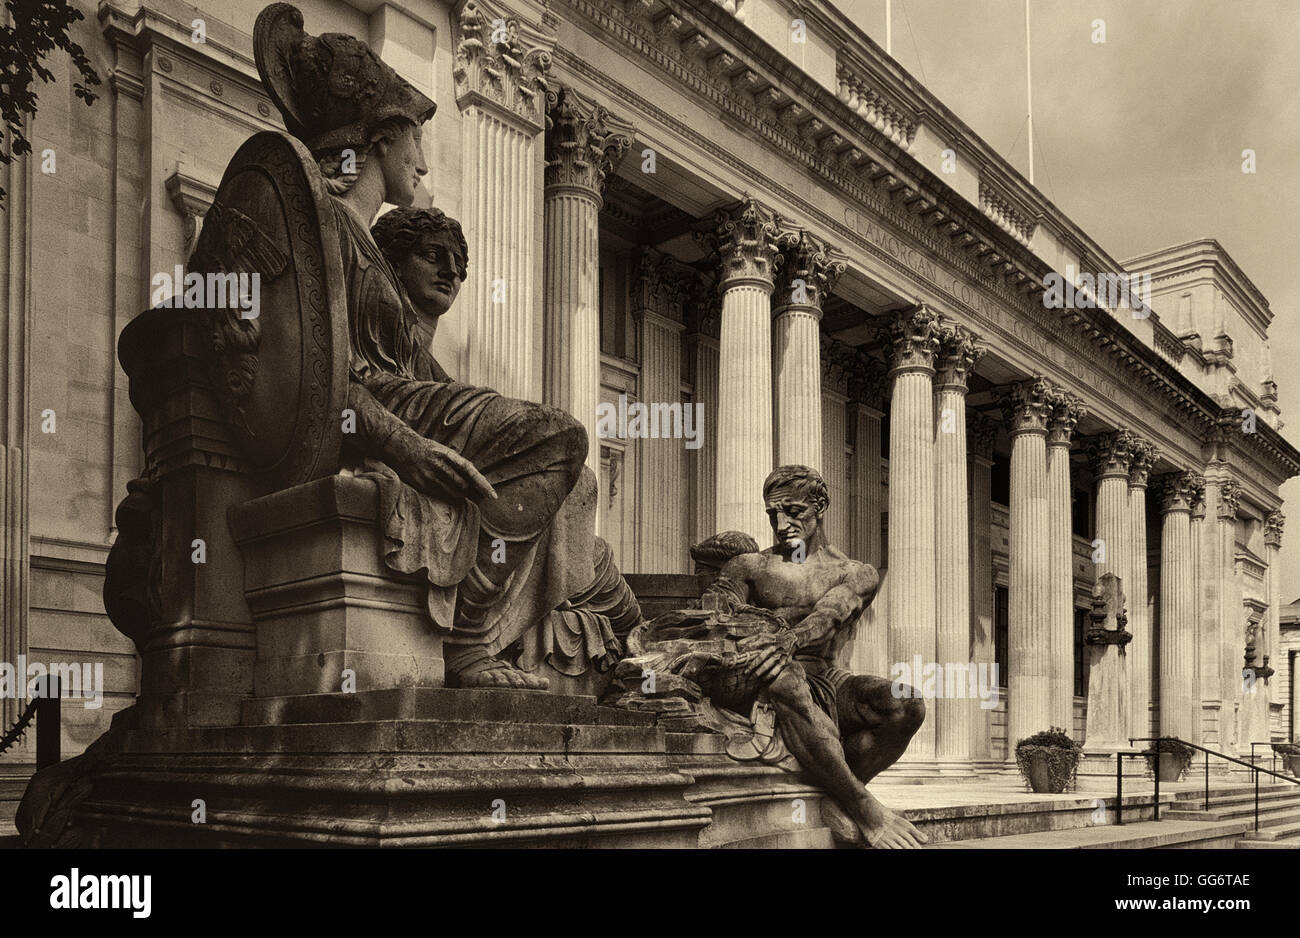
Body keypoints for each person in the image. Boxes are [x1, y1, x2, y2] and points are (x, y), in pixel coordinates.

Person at [253, 4, 638, 690]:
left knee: (571, 472)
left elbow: (429, 373)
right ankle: (466, 643)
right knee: (559, 437)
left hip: (402, 404)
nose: (424, 161)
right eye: (413, 144)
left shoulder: (366, 247)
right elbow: (315, 373)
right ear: (379, 142)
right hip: (376, 410)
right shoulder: (326, 229)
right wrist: (404, 447)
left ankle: (523, 636)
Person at [698, 465, 928, 848]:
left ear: (819, 506)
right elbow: (716, 617)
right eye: (773, 514)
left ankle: (838, 793)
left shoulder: (853, 572)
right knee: (783, 676)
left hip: (825, 675)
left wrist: (788, 637)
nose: (781, 522)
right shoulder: (749, 566)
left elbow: (830, 615)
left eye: (793, 511)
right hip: (760, 674)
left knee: (907, 703)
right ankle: (864, 808)